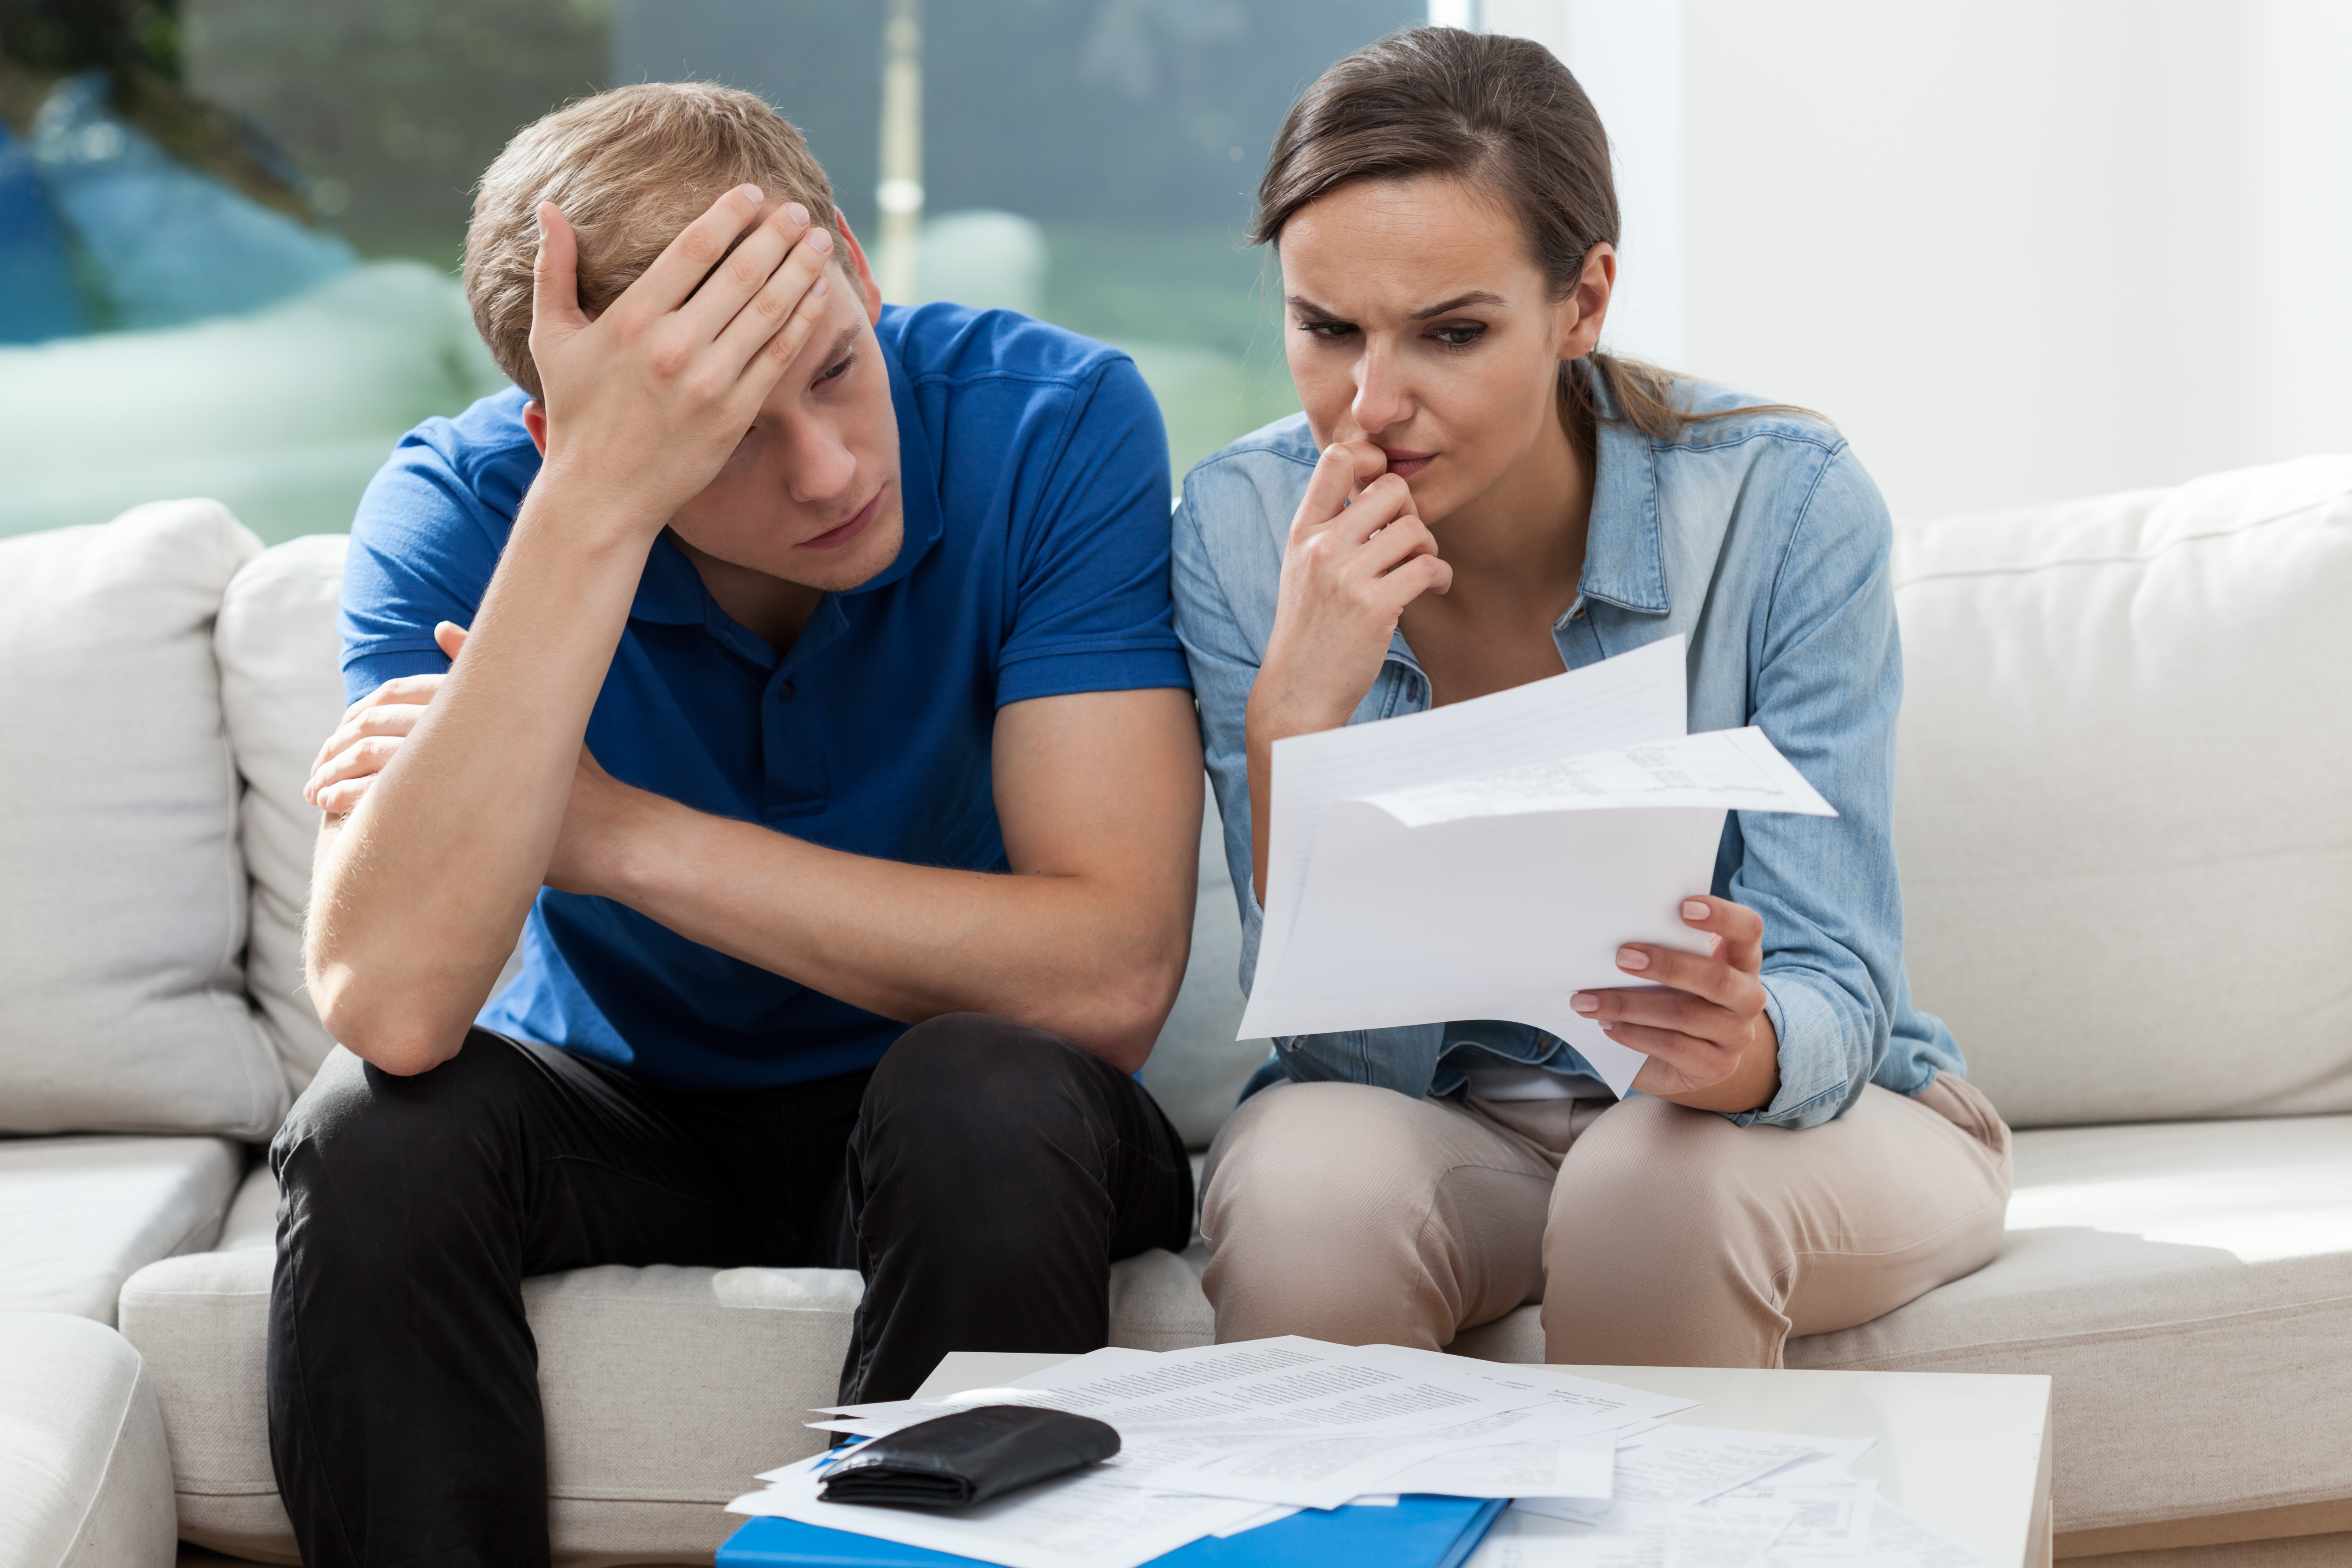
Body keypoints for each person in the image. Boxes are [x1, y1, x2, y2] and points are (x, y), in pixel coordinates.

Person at [275, 82, 1202, 1566]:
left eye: (836, 369)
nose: (831, 470)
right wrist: (594, 504)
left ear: (855, 256)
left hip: (962, 1109)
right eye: (715, 441)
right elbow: (386, 1001)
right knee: (375, 1130)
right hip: (625, 1117)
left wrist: (611, 830)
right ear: (564, 433)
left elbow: (1108, 977)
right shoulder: (465, 509)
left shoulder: (1056, 423)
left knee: (989, 1089)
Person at [1174, 28, 2012, 1368]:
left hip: (1779, 1122)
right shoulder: (1239, 525)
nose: (1371, 405)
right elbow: (1327, 1028)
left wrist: (1731, 1050)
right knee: (1304, 1194)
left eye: (1452, 333)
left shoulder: (1783, 503)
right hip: (1441, 1120)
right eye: (1327, 329)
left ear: (1583, 302)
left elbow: (1837, 984)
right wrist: (1295, 716)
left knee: (1646, 1185)